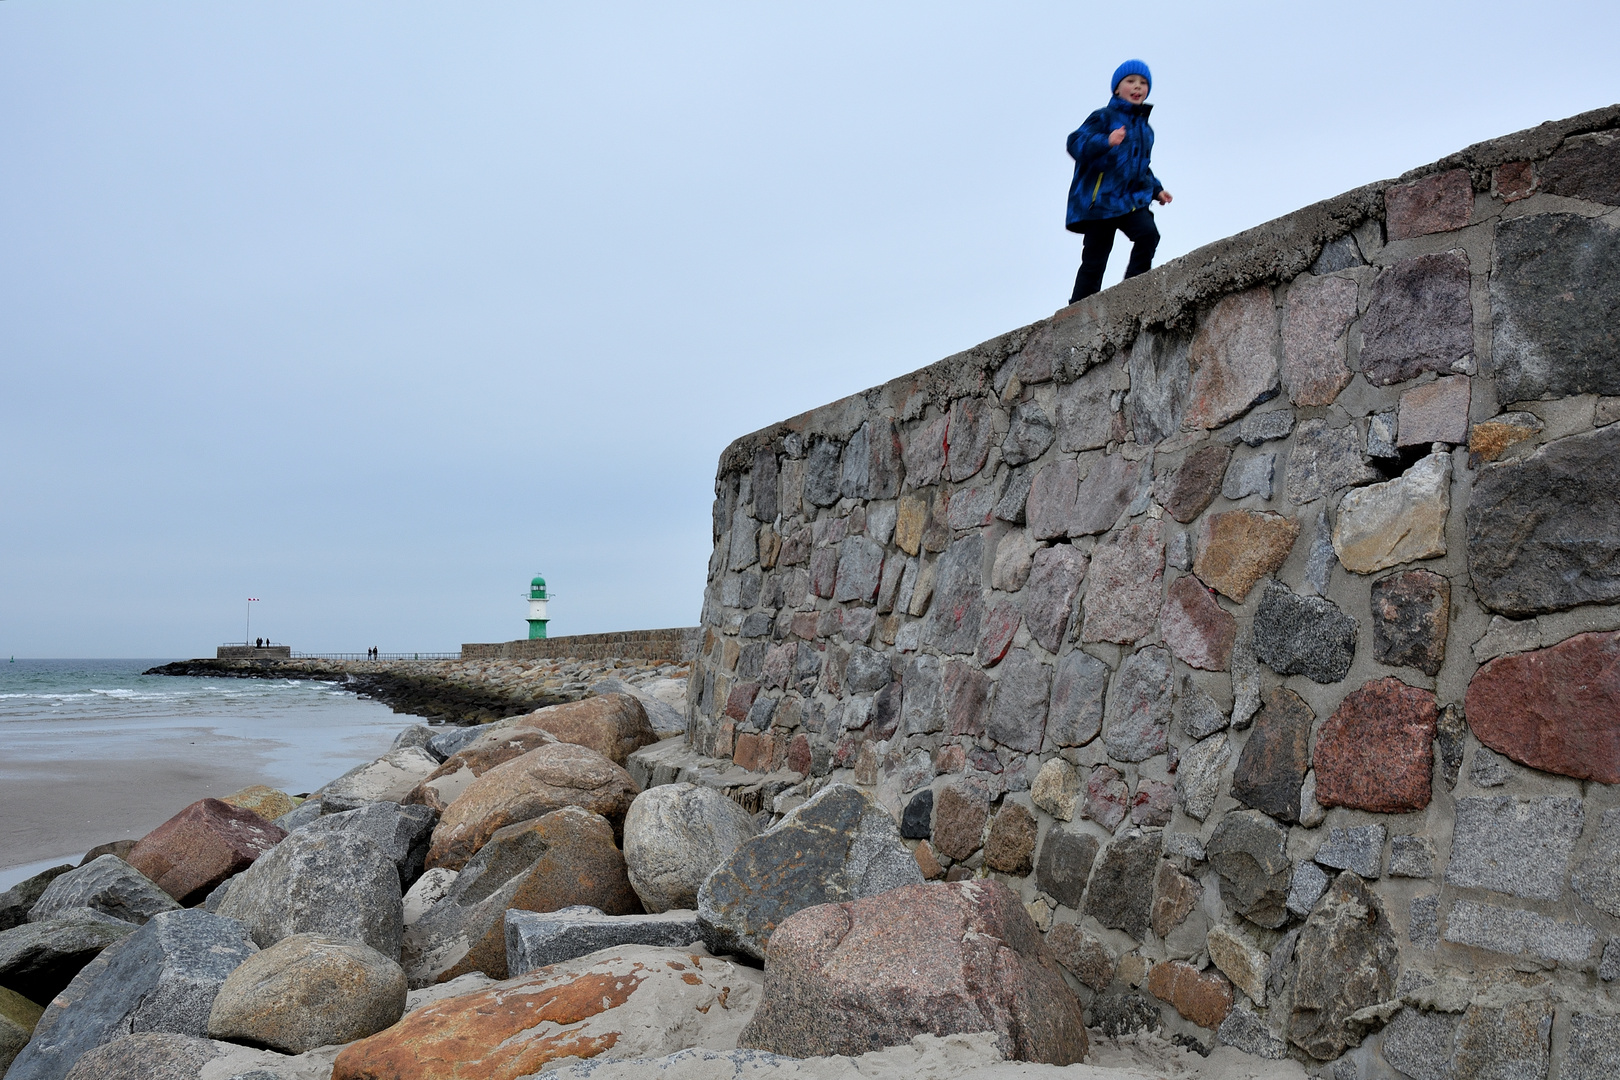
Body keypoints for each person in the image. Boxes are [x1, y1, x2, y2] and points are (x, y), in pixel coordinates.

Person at [1064, 59, 1172, 304]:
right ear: (1116, 89)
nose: (1137, 86)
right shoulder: (1104, 117)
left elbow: (1140, 165)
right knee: (1095, 259)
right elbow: (1075, 143)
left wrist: (1157, 190)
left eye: (1143, 83)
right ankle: (1078, 308)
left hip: (1129, 200)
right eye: (1130, 81)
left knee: (1148, 234)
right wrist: (1106, 141)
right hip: (1100, 202)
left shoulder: (1146, 130)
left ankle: (1134, 288)